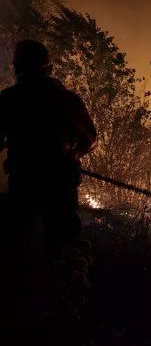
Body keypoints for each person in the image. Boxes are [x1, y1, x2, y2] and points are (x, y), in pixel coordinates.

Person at [0, 40, 97, 260]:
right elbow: (90, 138)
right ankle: (63, 290)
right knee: (62, 248)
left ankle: (25, 288)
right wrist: (72, 154)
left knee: (17, 246)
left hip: (24, 181)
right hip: (61, 181)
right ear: (46, 65)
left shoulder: (8, 99)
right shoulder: (65, 98)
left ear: (18, 65)